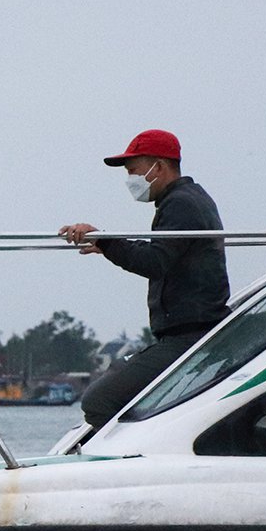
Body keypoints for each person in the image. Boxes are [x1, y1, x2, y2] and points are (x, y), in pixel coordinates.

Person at [59, 129, 230, 427]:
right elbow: (165, 252)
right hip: (189, 332)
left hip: (190, 336)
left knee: (99, 401)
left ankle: (140, 455)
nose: (130, 180)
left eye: (134, 171)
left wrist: (107, 241)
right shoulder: (189, 199)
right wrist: (108, 245)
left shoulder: (181, 204)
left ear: (159, 166)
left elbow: (155, 261)